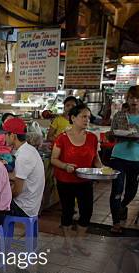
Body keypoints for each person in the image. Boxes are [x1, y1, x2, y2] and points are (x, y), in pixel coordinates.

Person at [51, 104, 103, 255]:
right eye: (83, 116)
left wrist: (103, 169)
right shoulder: (62, 138)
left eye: (88, 117)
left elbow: (96, 160)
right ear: (73, 118)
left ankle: (79, 241)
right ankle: (67, 243)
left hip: (85, 181)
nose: (87, 120)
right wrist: (65, 165)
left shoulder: (93, 138)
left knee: (87, 212)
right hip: (65, 181)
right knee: (67, 212)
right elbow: (54, 159)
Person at [108, 85, 139, 234]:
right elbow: (111, 134)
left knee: (132, 191)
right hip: (118, 157)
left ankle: (122, 206)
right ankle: (116, 222)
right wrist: (116, 134)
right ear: (127, 99)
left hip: (136, 158)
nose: (134, 101)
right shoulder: (119, 115)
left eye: (137, 98)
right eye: (131, 98)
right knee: (116, 189)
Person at [4, 118, 45, 217]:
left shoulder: (24, 156)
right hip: (31, 202)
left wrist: (4, 197)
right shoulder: (29, 149)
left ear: (13, 135)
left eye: (5, 134)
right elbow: (16, 176)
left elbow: (17, 191)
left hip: (24, 207)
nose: (4, 137)